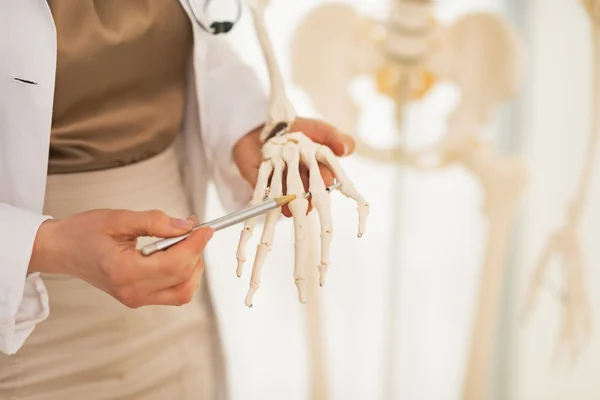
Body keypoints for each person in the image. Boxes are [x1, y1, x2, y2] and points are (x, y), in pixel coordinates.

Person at [0, 1, 355, 399]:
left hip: (171, 320)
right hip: (19, 330)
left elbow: (201, 40)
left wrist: (250, 127)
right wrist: (45, 245)